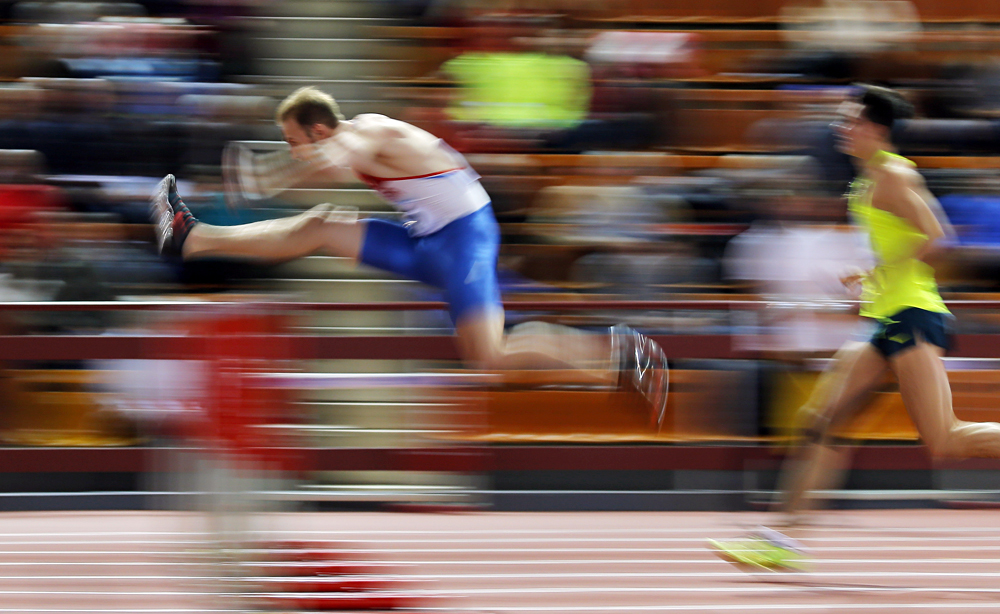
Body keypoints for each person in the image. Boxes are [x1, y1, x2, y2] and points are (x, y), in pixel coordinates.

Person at [150, 86, 669, 426]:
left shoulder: (370, 132)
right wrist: (270, 176)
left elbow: (337, 158)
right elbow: (330, 162)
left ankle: (617, 355)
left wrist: (263, 176)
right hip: (426, 240)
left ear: (319, 129)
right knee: (322, 227)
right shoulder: (346, 139)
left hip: (466, 239)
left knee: (490, 358)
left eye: (293, 142)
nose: (293, 150)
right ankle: (192, 236)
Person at [708, 85, 1000, 571]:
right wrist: (869, 277)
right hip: (885, 320)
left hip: (912, 318)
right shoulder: (865, 181)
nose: (840, 128)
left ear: (876, 129)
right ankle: (781, 539)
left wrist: (879, 276)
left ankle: (781, 536)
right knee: (821, 421)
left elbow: (940, 238)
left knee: (945, 439)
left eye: (850, 121)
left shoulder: (892, 174)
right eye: (841, 120)